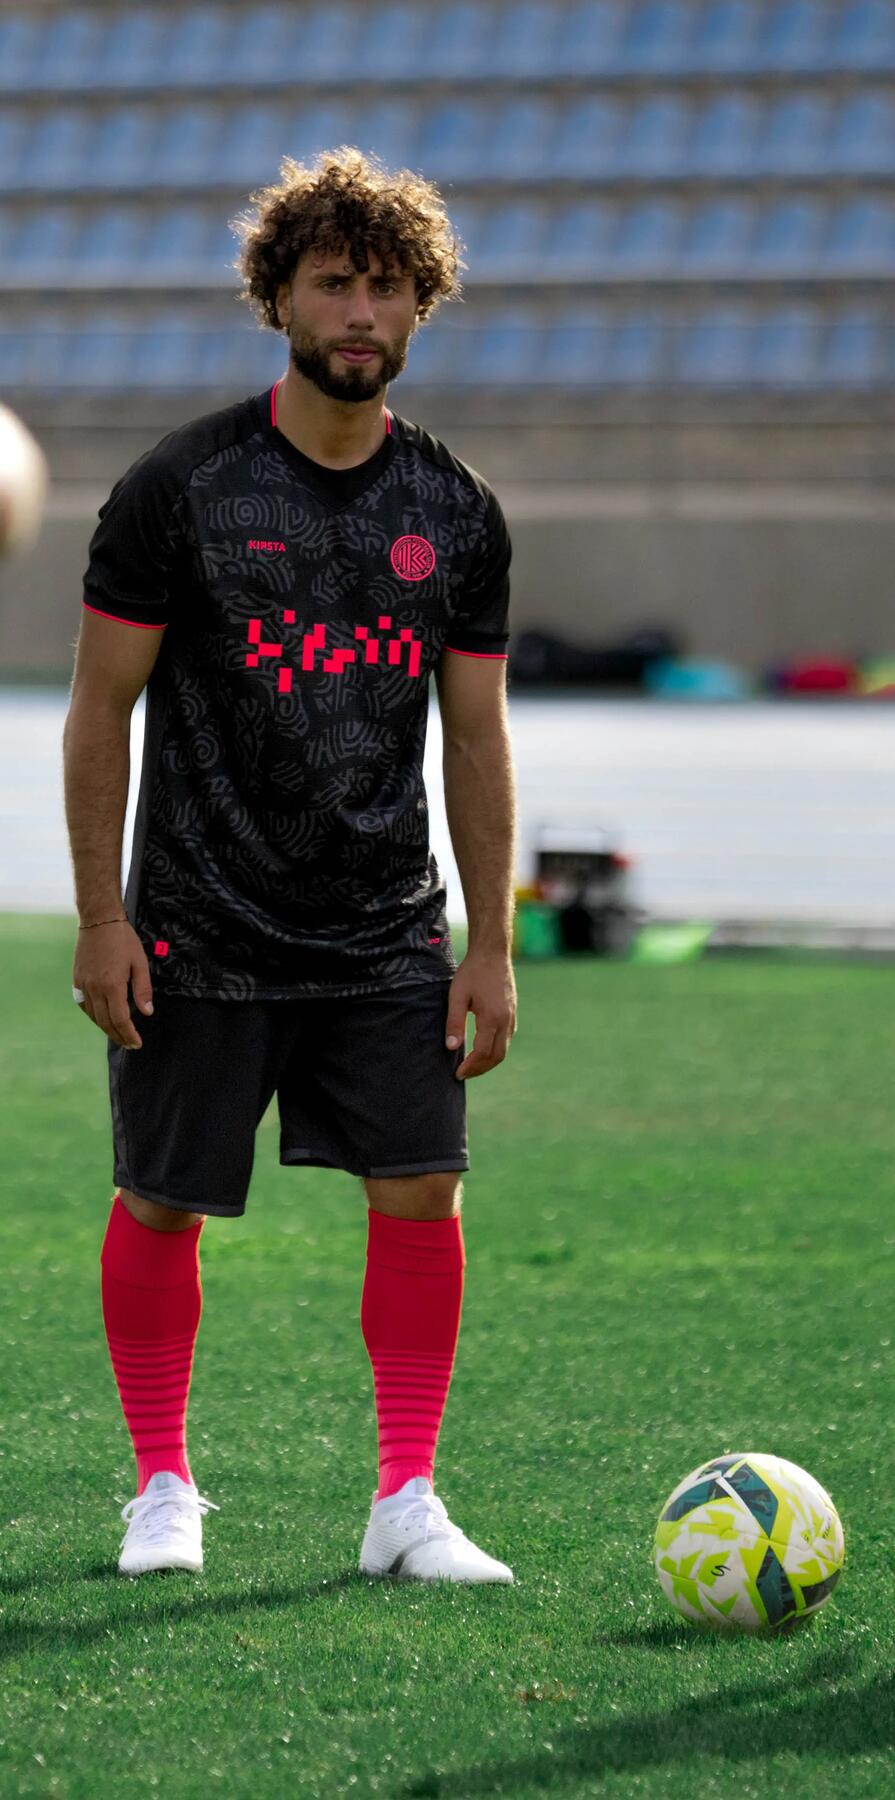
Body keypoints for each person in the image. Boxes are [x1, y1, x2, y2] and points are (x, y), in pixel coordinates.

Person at [63, 148, 518, 1583]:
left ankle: (406, 1503)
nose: (361, 312)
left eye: (387, 288)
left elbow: (479, 739)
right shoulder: (178, 488)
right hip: (196, 921)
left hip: (384, 927)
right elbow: (97, 712)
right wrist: (100, 919)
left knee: (424, 1189)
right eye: (334, 282)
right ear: (280, 298)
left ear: (421, 308)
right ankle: (161, 1486)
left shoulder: (458, 512)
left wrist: (490, 945)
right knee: (162, 1201)